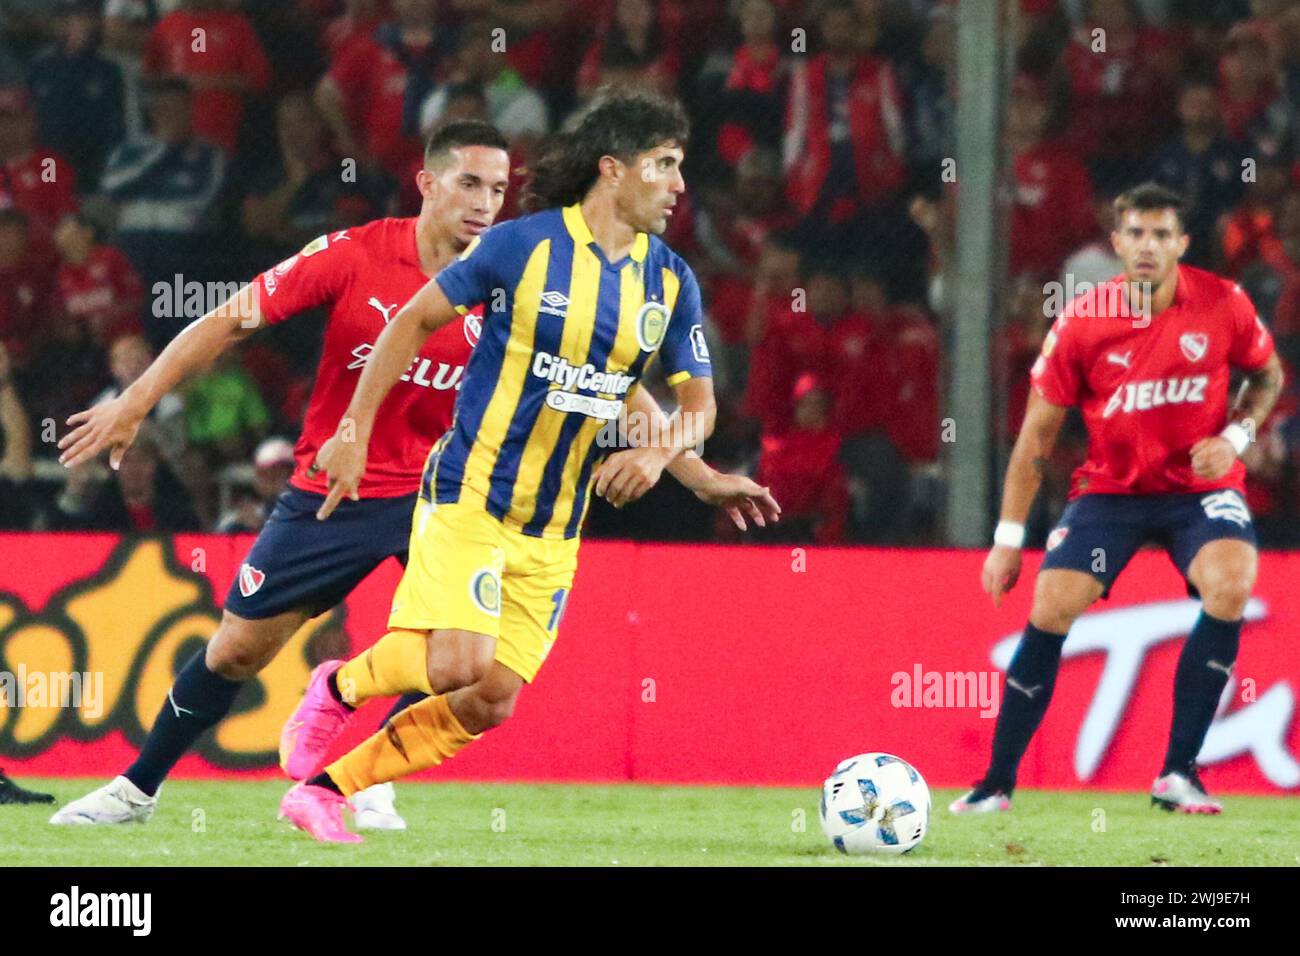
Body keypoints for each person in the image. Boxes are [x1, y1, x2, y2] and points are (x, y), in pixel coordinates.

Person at [276, 88, 781, 843]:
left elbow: (698, 408)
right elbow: (411, 321)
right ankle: (339, 684)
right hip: (471, 490)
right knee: (455, 667)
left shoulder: (671, 281)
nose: (680, 185)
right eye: (665, 165)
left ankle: (326, 790)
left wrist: (668, 455)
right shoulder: (522, 246)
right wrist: (353, 428)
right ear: (613, 170)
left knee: (490, 700)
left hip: (555, 523)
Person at [48, 120, 513, 831]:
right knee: (237, 649)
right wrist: (137, 398)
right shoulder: (358, 253)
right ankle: (135, 789)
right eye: (469, 183)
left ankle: (366, 779)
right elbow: (234, 320)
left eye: (499, 190)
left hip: (445, 494)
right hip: (337, 487)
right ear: (427, 183)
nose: (485, 203)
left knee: (461, 656)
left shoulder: (510, 281)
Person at [952, 183, 1284, 816]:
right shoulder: (1082, 321)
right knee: (1051, 608)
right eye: (1136, 234)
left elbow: (1267, 374)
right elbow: (1035, 442)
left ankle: (1178, 773)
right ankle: (996, 782)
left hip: (1199, 490)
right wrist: (1005, 542)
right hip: (1113, 491)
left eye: (1162, 235)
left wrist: (1237, 437)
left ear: (1182, 245)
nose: (1148, 247)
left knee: (1232, 582)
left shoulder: (1223, 302)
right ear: (1116, 242)